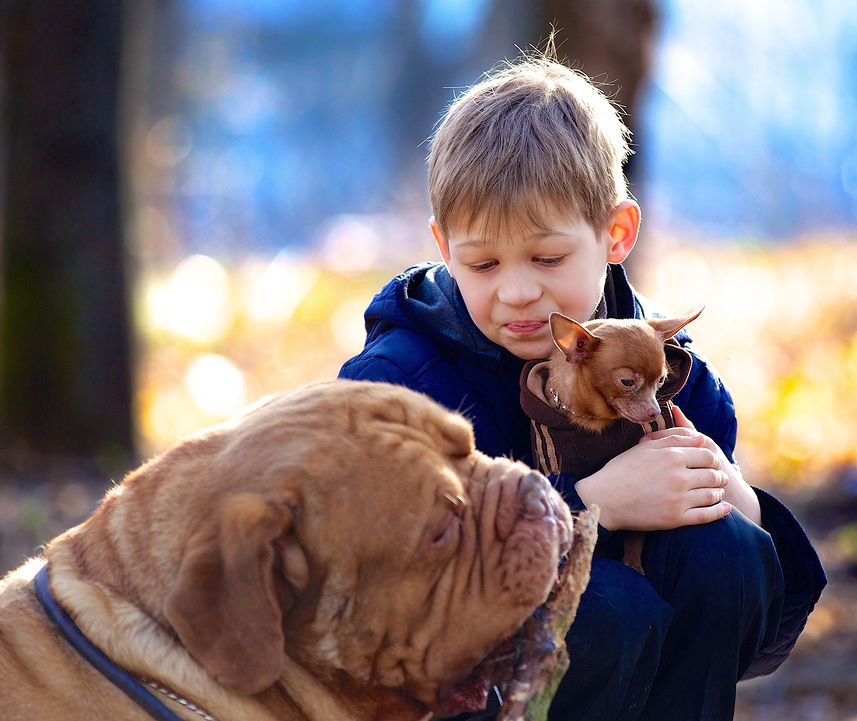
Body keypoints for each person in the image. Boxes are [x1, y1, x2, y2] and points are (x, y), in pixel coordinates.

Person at [338, 52, 826, 721]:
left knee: (724, 548)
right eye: (482, 263)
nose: (518, 291)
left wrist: (736, 497)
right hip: (456, 686)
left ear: (615, 233)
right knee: (605, 609)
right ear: (444, 248)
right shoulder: (396, 385)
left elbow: (757, 628)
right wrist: (585, 504)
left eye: (547, 257)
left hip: (650, 684)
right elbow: (382, 591)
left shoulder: (665, 370)